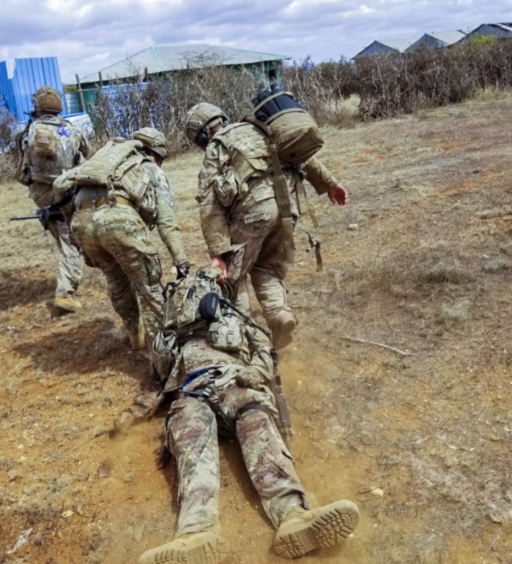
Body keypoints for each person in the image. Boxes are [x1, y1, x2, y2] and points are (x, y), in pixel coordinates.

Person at [116, 270, 359, 564]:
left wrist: (257, 372)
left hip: (237, 384)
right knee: (189, 430)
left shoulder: (237, 321)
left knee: (255, 418)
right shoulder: (170, 341)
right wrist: (135, 412)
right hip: (193, 394)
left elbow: (265, 351)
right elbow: (158, 383)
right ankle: (196, 533)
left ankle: (293, 516)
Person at [185, 102, 348, 349]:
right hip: (287, 209)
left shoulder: (217, 146)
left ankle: (245, 338)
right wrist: (330, 184)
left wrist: (219, 253)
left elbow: (209, 203)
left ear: (202, 135)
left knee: (233, 277)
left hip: (254, 214)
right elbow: (304, 159)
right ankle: (279, 314)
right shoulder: (260, 128)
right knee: (267, 268)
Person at [57, 127, 190, 350]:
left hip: (81, 222)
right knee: (149, 288)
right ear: (156, 153)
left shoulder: (105, 162)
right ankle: (162, 353)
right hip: (117, 218)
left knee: (116, 280)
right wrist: (181, 259)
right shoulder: (149, 167)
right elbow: (167, 222)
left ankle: (134, 335)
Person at [15, 87, 90, 314]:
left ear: (37, 107)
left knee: (65, 236)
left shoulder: (29, 132)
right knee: (71, 242)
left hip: (42, 196)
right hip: (67, 193)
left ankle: (70, 274)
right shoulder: (71, 130)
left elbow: (22, 164)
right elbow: (87, 153)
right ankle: (65, 293)